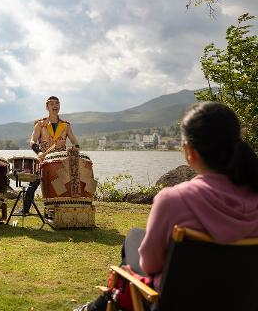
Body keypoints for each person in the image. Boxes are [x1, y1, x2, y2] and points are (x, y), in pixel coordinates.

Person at [74, 101, 258, 311]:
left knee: (132, 241)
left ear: (190, 151)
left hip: (178, 302)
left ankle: (98, 306)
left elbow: (150, 265)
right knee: (135, 235)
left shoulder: (175, 201)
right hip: (239, 301)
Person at [20, 96, 79, 214]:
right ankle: (25, 210)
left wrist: (74, 150)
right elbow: (32, 141)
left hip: (60, 162)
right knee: (33, 185)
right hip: (44, 160)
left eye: (57, 103)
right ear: (47, 107)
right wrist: (39, 152)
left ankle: (59, 210)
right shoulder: (40, 124)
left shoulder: (66, 125)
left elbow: (75, 142)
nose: (55, 106)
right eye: (52, 104)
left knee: (61, 186)